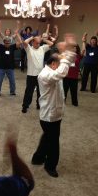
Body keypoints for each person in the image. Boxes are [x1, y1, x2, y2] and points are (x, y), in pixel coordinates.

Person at [31, 35, 77, 178]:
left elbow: (72, 62)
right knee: (53, 141)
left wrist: (68, 49)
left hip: (56, 113)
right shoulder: (45, 75)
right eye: (59, 63)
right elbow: (62, 72)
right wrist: (64, 55)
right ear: (53, 64)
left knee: (48, 137)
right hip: (48, 115)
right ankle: (50, 166)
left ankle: (37, 158)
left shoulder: (54, 69)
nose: (62, 66)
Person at [21, 36, 53, 113]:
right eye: (36, 43)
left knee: (40, 92)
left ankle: (39, 105)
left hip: (41, 75)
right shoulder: (29, 48)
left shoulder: (43, 48)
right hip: (31, 75)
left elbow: (51, 44)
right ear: (32, 42)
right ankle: (25, 106)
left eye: (39, 43)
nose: (38, 44)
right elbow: (24, 42)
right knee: (29, 92)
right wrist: (31, 37)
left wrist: (43, 39)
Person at [0, 31, 21, 96]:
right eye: (6, 43)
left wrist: (17, 34)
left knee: (12, 81)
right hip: (1, 67)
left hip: (10, 67)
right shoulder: (1, 46)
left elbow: (20, 42)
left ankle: (12, 92)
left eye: (8, 43)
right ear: (4, 42)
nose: (7, 44)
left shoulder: (12, 47)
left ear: (10, 42)